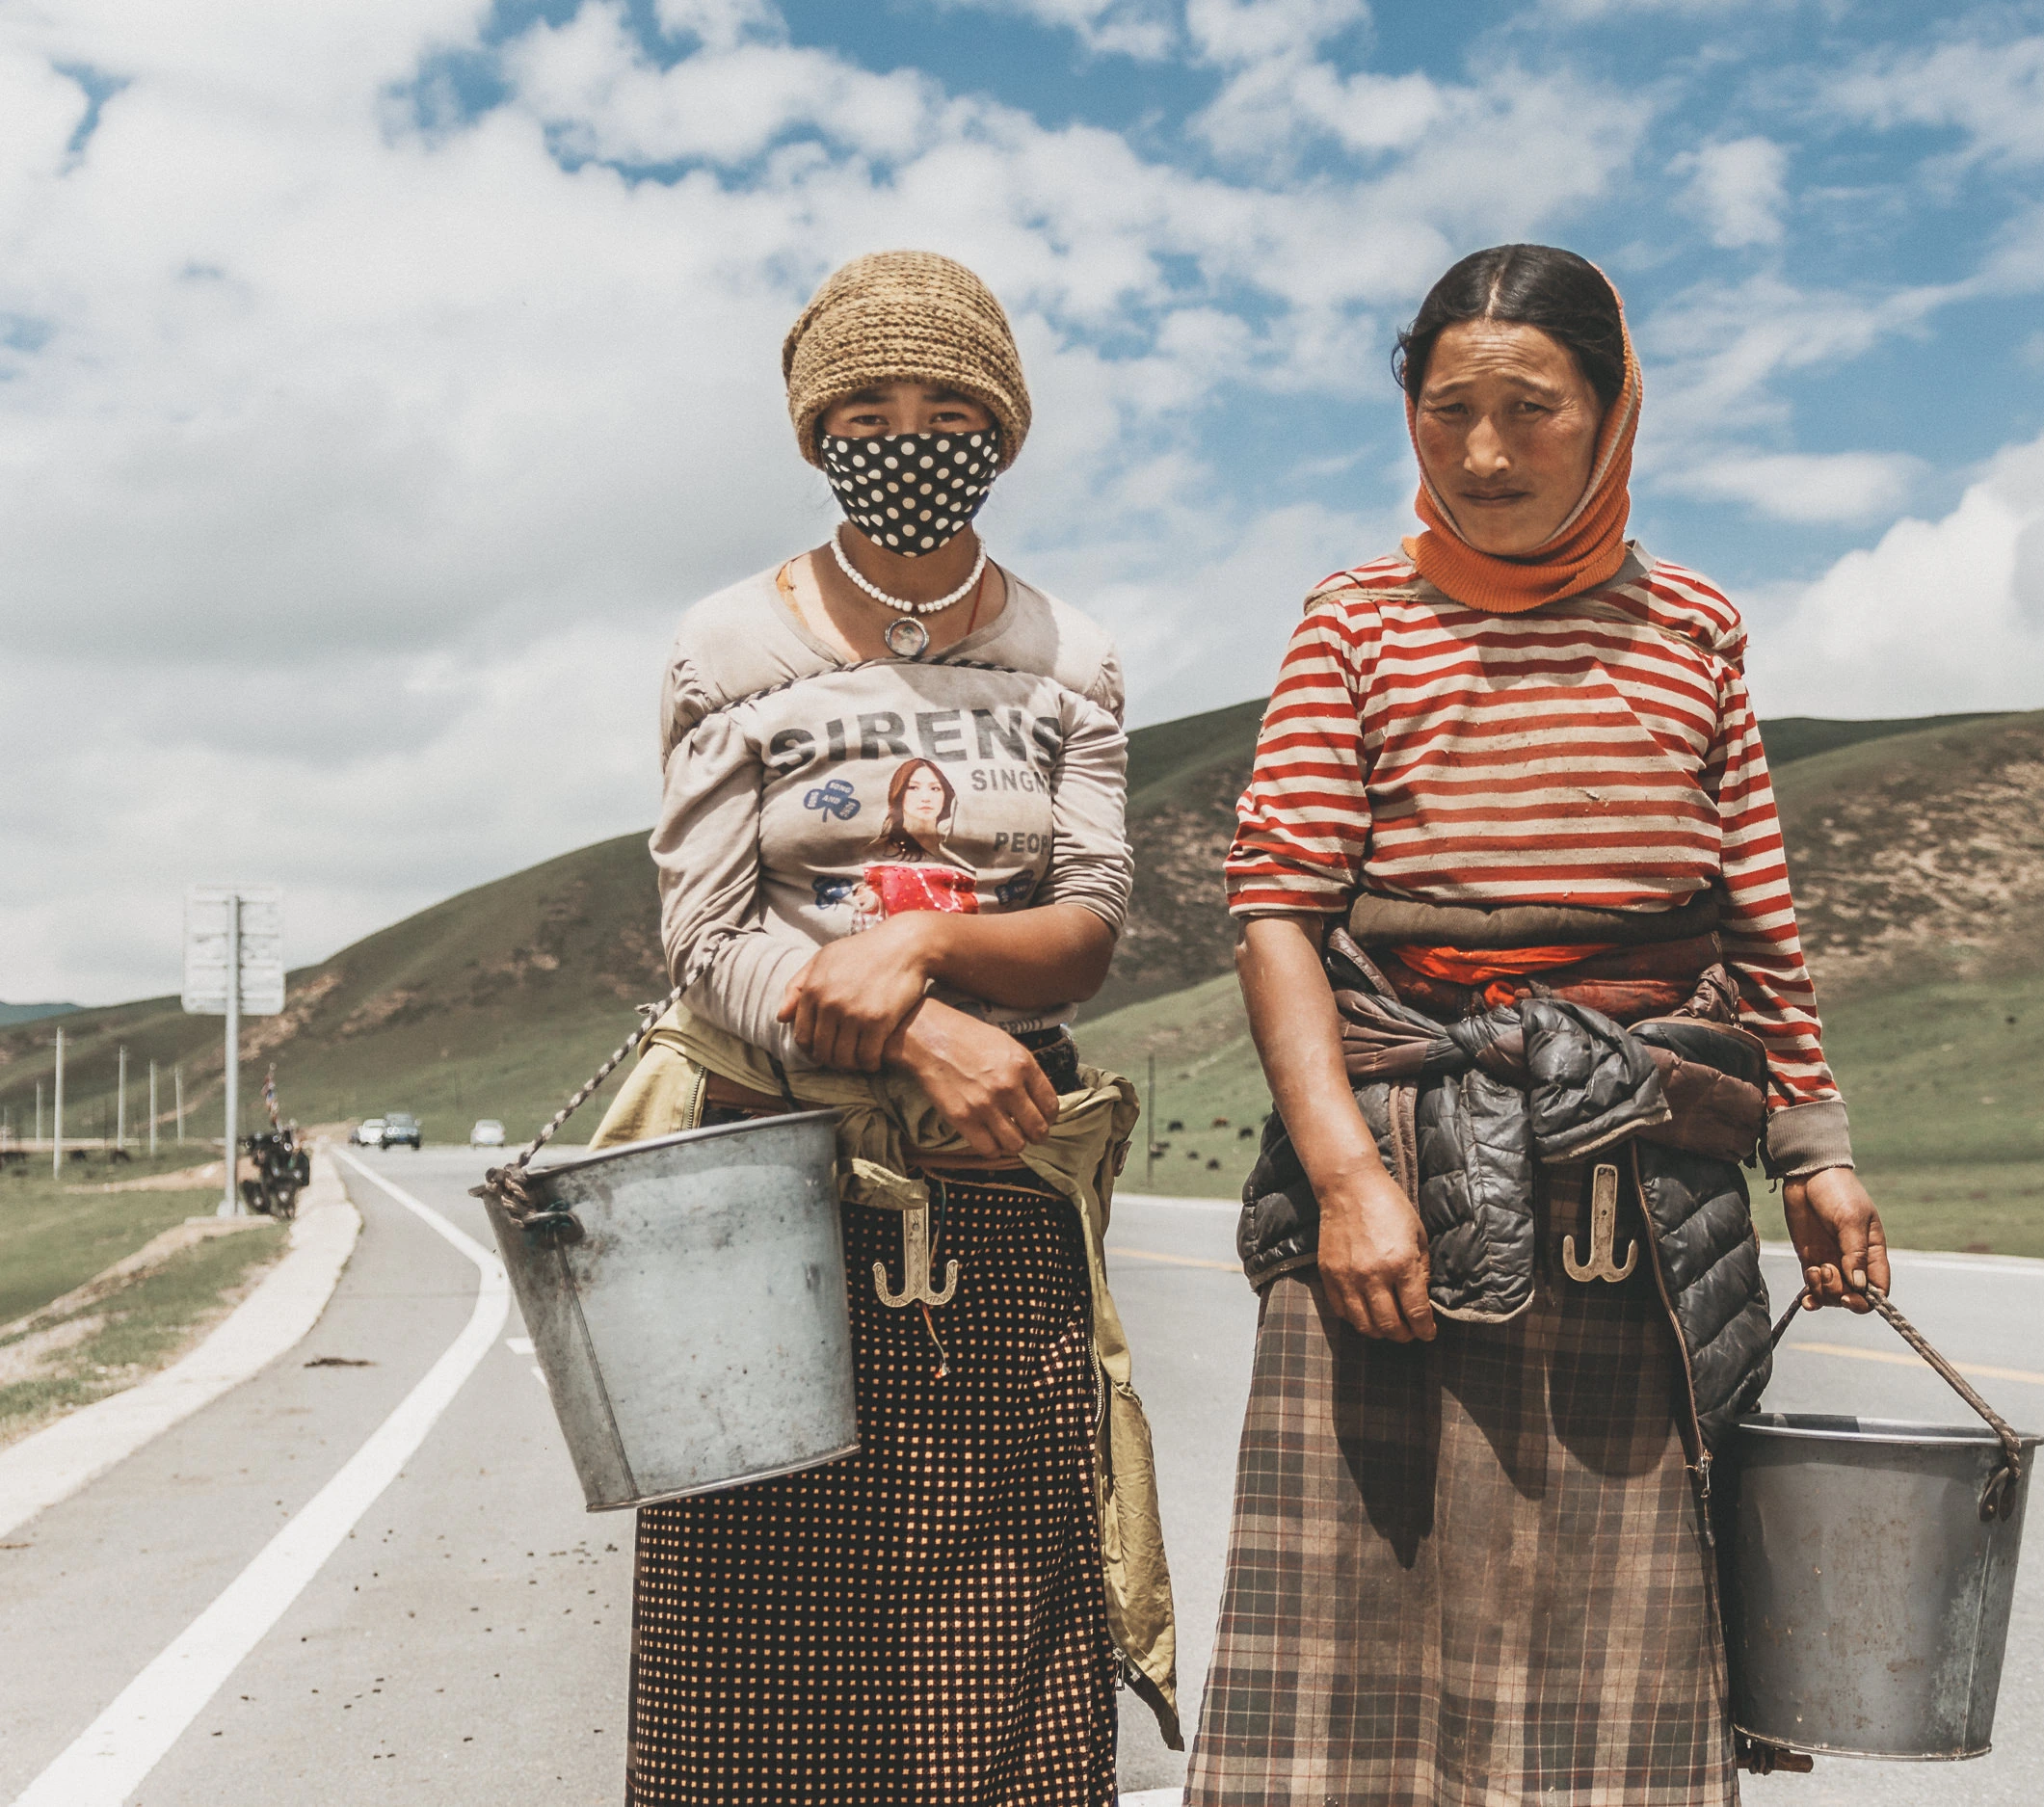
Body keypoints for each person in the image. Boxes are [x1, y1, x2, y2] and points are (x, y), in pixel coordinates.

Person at [1184, 243, 1890, 1805]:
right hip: (1401, 1174)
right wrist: (1350, 1180)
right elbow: (1278, 910)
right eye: (1450, 412)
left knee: (1621, 1643)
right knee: (1358, 1628)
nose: (1487, 453)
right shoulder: (1355, 621)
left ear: (1614, 410)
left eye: (1532, 409)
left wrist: (1815, 1152)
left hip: (1639, 1175)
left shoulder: (1697, 628)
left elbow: (1755, 915)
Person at [589, 249, 1178, 1806]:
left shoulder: (1073, 660)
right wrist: (916, 1035)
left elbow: (1091, 926)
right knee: (754, 1643)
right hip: (765, 1181)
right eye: (864, 407)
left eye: (943, 406)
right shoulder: (732, 648)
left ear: (1000, 427)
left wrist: (921, 938)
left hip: (1002, 1173)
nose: (906, 435)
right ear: (812, 434)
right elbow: (707, 941)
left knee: (1004, 1630)